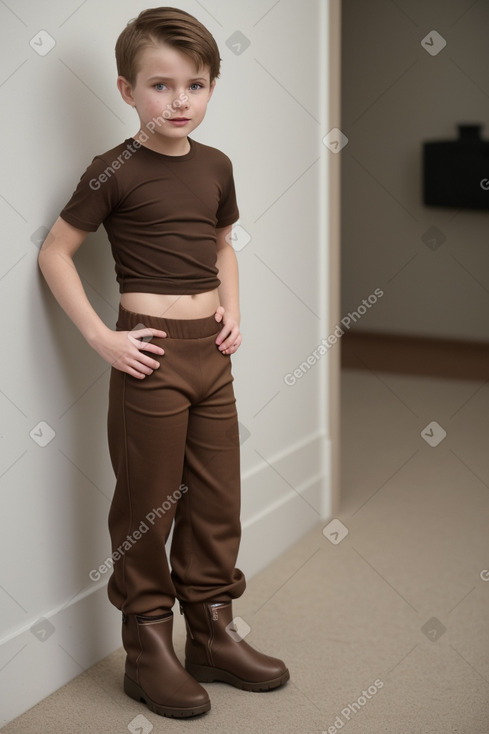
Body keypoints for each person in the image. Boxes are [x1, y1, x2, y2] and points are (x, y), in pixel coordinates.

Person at [38, 5, 289, 720]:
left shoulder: (216, 165)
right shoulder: (112, 169)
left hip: (211, 357)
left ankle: (211, 632)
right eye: (161, 85)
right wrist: (101, 337)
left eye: (196, 85)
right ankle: (149, 649)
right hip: (147, 358)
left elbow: (220, 244)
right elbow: (54, 252)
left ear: (211, 88)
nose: (180, 101)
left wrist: (231, 308)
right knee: (149, 505)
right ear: (126, 90)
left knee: (216, 498)